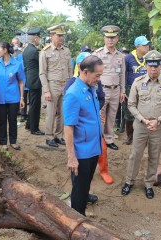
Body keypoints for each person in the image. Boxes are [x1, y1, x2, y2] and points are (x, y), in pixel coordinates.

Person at [121, 50, 161, 199]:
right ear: (146, 66)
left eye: (156, 66)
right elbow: (131, 104)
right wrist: (143, 119)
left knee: (154, 155)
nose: (153, 69)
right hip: (141, 125)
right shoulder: (138, 82)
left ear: (160, 66)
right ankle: (129, 181)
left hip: (159, 126)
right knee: (135, 154)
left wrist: (158, 120)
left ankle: (149, 184)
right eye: (150, 66)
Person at [63, 55, 103, 216]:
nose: (99, 79)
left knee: (85, 185)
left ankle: (80, 211)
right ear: (85, 72)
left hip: (93, 147)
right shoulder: (73, 94)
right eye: (97, 75)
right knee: (79, 190)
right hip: (82, 152)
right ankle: (77, 220)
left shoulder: (91, 88)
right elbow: (68, 127)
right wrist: (71, 156)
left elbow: (87, 113)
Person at [93, 25, 125, 151]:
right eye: (108, 37)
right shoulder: (98, 54)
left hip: (115, 90)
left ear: (117, 38)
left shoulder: (120, 56)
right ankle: (98, 139)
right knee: (100, 115)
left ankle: (109, 139)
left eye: (113, 37)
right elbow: (92, 73)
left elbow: (122, 74)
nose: (110, 40)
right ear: (104, 38)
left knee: (111, 116)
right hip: (102, 89)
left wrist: (122, 90)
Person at [39, 23, 72, 147]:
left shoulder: (66, 50)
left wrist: (70, 86)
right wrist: (46, 90)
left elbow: (70, 69)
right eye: (59, 35)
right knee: (51, 113)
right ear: (52, 36)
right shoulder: (45, 52)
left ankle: (59, 135)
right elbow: (42, 73)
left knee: (63, 113)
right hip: (52, 85)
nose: (61, 38)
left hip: (65, 85)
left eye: (62, 36)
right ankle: (49, 136)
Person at [0, 42, 25, 150]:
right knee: (2, 120)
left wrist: (22, 98)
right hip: (0, 97)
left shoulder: (17, 64)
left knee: (12, 120)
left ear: (5, 50)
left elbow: (21, 81)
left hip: (13, 97)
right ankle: (3, 142)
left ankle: (13, 141)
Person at [123, 36, 150, 145]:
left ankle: (144, 137)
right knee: (130, 113)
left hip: (146, 87)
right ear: (138, 46)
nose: (148, 46)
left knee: (145, 111)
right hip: (131, 88)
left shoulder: (149, 57)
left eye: (148, 44)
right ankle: (130, 136)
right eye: (145, 45)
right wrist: (123, 89)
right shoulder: (128, 58)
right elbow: (123, 74)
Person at [23, 27, 44, 136]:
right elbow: (42, 64)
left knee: (32, 104)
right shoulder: (35, 51)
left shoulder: (26, 49)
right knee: (35, 105)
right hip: (35, 80)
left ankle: (29, 124)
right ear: (35, 38)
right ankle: (34, 128)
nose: (39, 39)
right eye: (39, 38)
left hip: (30, 79)